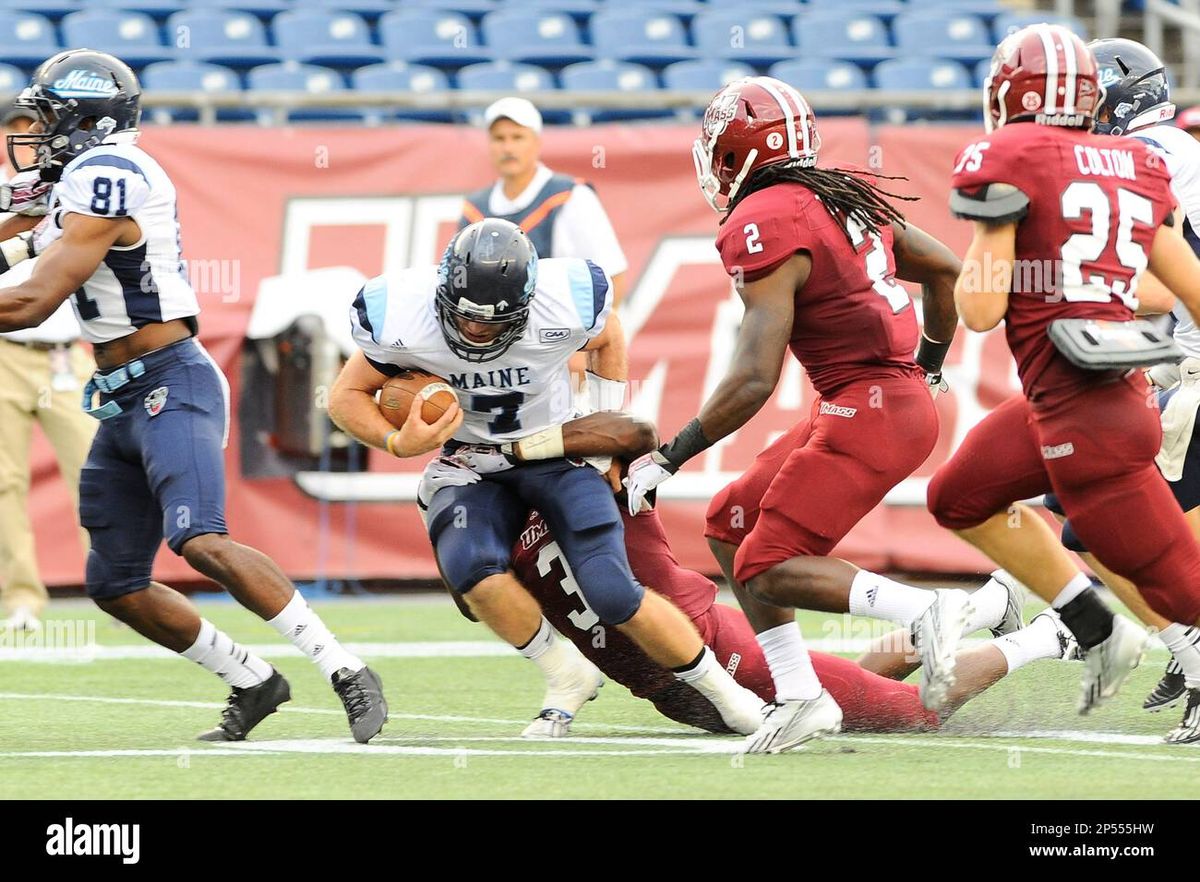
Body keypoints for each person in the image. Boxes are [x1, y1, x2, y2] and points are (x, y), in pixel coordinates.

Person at [0, 49, 386, 744]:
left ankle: (346, 668)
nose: (38, 131)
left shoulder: (108, 174)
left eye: (51, 116)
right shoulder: (73, 179)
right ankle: (253, 681)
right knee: (115, 583)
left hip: (170, 379)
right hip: (118, 394)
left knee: (200, 540)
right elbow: (12, 234)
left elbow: (30, 300)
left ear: (87, 119)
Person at [623, 76, 981, 753]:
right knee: (731, 521)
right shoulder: (834, 194)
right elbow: (945, 269)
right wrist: (930, 365)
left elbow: (755, 378)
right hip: (879, 401)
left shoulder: (765, 221)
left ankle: (928, 608)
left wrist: (669, 454)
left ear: (733, 156)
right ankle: (800, 695)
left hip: (865, 411)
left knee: (767, 565)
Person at [328, 217, 767, 739]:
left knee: (612, 591)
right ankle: (565, 674)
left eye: (492, 322)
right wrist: (397, 442)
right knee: (473, 572)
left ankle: (729, 696)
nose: (475, 331)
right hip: (470, 461)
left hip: (556, 452)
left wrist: (605, 437)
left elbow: (610, 338)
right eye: (465, 317)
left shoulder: (566, 300)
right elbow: (344, 396)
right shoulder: (400, 311)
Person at [465, 410, 1078, 740]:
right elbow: (479, 598)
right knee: (853, 689)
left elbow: (635, 433)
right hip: (672, 691)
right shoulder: (498, 532)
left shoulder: (606, 488)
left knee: (913, 712)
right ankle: (992, 602)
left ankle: (1046, 636)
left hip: (722, 659)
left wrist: (529, 448)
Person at [926, 25, 1200, 734]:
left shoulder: (1010, 156)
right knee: (958, 496)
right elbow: (1181, 291)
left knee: (1177, 581)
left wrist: (1029, 261)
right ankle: (1096, 626)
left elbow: (980, 310)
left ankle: (1161, 649)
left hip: (1092, 418)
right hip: (1089, 396)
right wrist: (1079, 279)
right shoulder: (1126, 163)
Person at [1033, 38, 1200, 741]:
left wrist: (1060, 289)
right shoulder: (1170, 146)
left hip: (1193, 369)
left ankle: (1191, 656)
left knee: (1098, 525)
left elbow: (1162, 282)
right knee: (1076, 506)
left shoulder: (1146, 157)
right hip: (1181, 360)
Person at [0, 104, 96, 632]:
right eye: (18, 127)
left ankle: (119, 586)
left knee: (95, 472)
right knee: (3, 480)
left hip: (64, 352)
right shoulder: (5, 193)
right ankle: (21, 598)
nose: (29, 136)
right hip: (5, 351)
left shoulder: (78, 185)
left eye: (34, 125)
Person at [459, 97, 628, 302]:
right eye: (499, 138)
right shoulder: (475, 208)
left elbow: (612, 278)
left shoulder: (572, 197)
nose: (508, 148)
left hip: (560, 327)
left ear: (537, 142)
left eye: (517, 137)